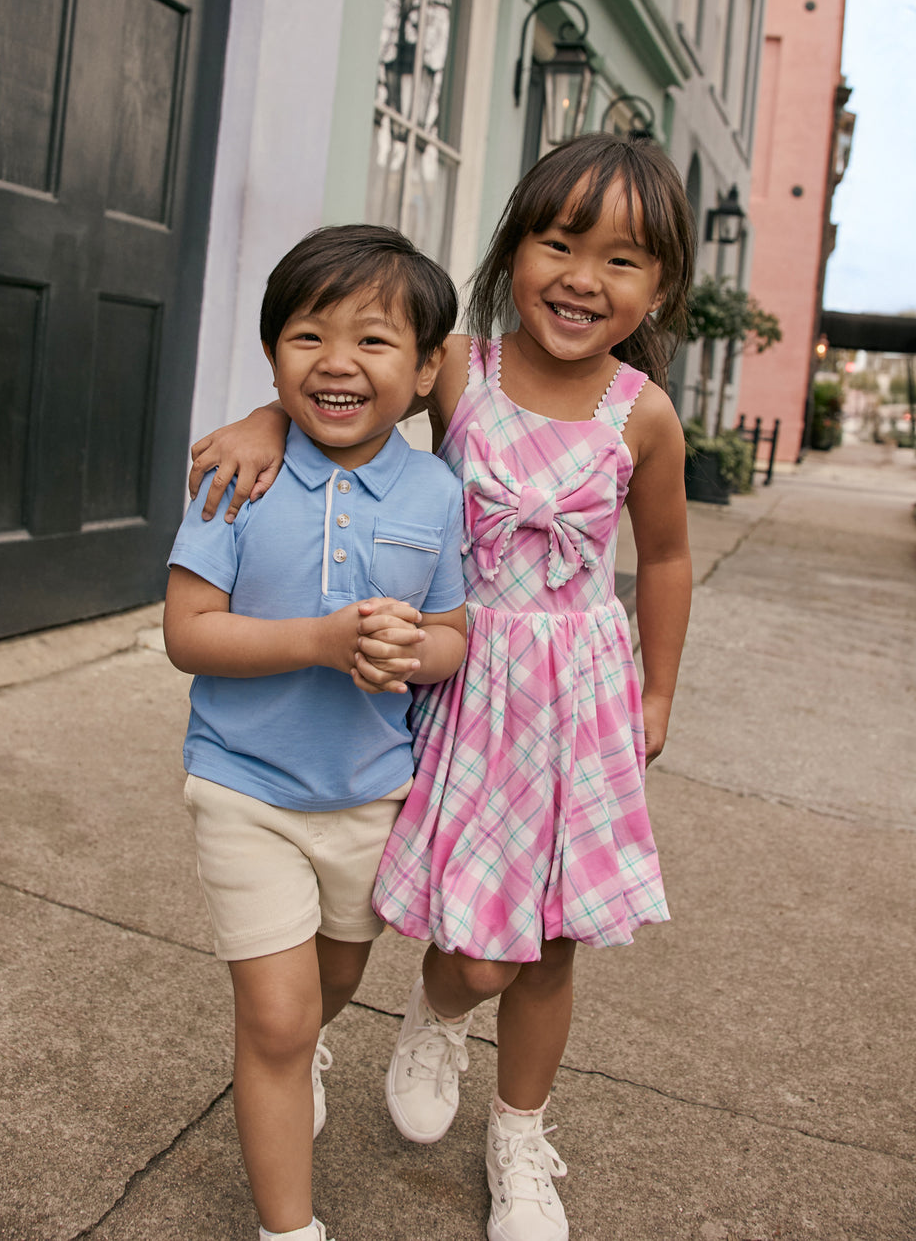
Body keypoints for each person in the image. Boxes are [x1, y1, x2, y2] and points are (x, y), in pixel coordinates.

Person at [187, 132, 696, 1241]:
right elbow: (353, 401)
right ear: (513, 246)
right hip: (455, 678)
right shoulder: (461, 366)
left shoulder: (639, 413)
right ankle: (399, 1008)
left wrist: (657, 693)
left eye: (622, 260)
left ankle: (516, 1129)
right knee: (461, 939)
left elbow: (661, 557)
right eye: (559, 242)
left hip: (573, 691)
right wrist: (262, 417)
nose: (582, 277)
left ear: (659, 285)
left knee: (545, 937)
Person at [163, 224, 468, 1241]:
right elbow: (187, 633)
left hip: (372, 792)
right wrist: (321, 639)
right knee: (281, 1017)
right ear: (271, 354)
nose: (336, 361)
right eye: (306, 335)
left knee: (331, 986)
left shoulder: (436, 492)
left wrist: (409, 649)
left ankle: (296, 1053)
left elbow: (455, 634)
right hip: (243, 787)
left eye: (375, 341)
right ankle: (288, 1226)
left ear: (428, 370)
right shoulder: (234, 473)